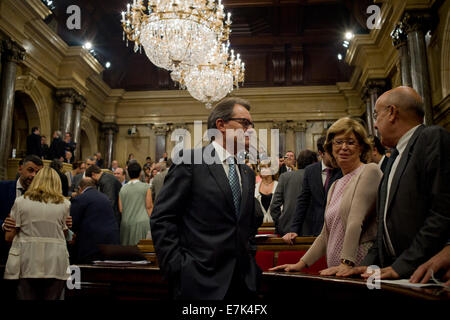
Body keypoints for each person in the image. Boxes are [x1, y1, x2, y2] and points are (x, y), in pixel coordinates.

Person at [150, 97, 261, 300]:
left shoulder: (247, 172)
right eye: (244, 123)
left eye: (252, 124)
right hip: (197, 282)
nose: (251, 130)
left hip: (242, 283)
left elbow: (247, 223)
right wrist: (177, 268)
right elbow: (162, 218)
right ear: (221, 125)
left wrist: (249, 257)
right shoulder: (190, 161)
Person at [343, 86, 450, 281]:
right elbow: (384, 227)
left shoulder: (432, 138)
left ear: (392, 113)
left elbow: (441, 214)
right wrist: (368, 264)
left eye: (376, 115)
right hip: (395, 273)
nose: (374, 125)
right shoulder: (393, 157)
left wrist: (402, 266)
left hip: (424, 276)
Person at [271, 117, 382, 276]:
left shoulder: (369, 171)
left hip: (359, 266)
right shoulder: (336, 185)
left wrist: (347, 263)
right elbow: (325, 235)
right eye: (338, 142)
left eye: (350, 142)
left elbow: (355, 221)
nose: (344, 147)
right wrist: (300, 264)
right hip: (339, 268)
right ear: (330, 148)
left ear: (361, 148)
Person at [4, 167, 71, 300]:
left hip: (27, 260)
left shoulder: (21, 202)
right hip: (55, 261)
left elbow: (9, 237)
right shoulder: (65, 204)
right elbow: (63, 235)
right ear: (57, 183)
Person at [282, 136, 342, 243]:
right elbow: (303, 201)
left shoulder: (342, 170)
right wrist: (294, 229)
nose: (335, 157)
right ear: (321, 153)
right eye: (331, 154)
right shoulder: (311, 171)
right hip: (316, 229)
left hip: (339, 229)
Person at [70, 177, 120, 263]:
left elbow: (73, 223)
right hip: (111, 241)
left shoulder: (80, 199)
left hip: (91, 244)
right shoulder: (105, 197)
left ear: (79, 188)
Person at [270, 149, 318, 236]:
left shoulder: (285, 177)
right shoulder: (317, 178)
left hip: (287, 229)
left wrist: (280, 223)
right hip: (312, 230)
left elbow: (274, 206)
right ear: (314, 163)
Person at [119, 162, 153, 245]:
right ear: (140, 172)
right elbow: (149, 207)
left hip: (126, 223)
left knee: (128, 254)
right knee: (143, 253)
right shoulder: (146, 187)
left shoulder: (122, 188)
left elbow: (121, 209)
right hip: (142, 224)